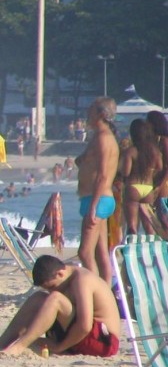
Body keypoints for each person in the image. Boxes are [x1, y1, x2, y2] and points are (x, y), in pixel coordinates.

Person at [0, 255, 121, 357]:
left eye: (52, 286)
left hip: (103, 342)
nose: (52, 290)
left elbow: (85, 326)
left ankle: (19, 347)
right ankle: (0, 344)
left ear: (60, 273)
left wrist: (59, 347)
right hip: (78, 337)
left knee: (55, 298)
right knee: (38, 298)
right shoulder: (65, 280)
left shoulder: (82, 280)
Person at [76, 97, 119, 285]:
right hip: (96, 198)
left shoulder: (104, 138)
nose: (87, 113)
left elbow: (102, 175)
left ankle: (94, 292)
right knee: (100, 251)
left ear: (101, 114)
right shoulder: (98, 136)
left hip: (98, 198)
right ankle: (106, 289)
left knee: (85, 252)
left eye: (91, 110)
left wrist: (93, 206)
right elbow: (86, 163)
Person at [119, 119, 163, 236]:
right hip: (148, 188)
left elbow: (126, 172)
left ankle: (131, 250)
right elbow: (160, 167)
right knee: (149, 226)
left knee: (132, 226)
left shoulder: (131, 151)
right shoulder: (155, 151)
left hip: (133, 187)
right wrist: (150, 173)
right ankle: (152, 250)